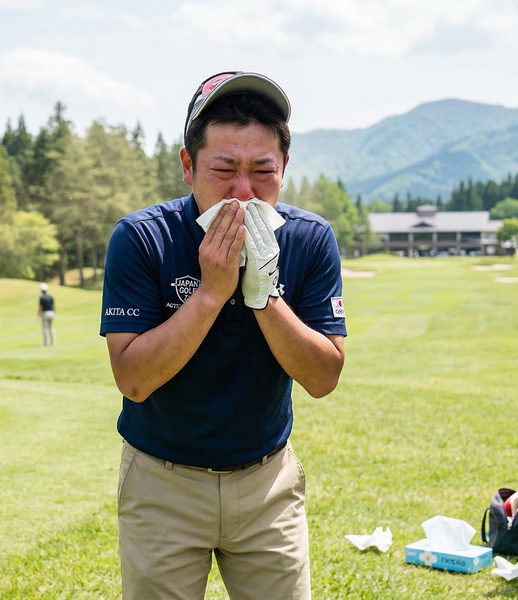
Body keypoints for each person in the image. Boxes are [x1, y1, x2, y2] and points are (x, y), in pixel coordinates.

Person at [100, 71, 346, 599]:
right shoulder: (143, 238)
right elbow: (134, 380)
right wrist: (211, 293)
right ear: (188, 167)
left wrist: (264, 295)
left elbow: (323, 377)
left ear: (284, 168)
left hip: (267, 482)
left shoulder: (310, 239)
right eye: (224, 169)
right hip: (162, 481)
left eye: (263, 171)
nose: (243, 192)